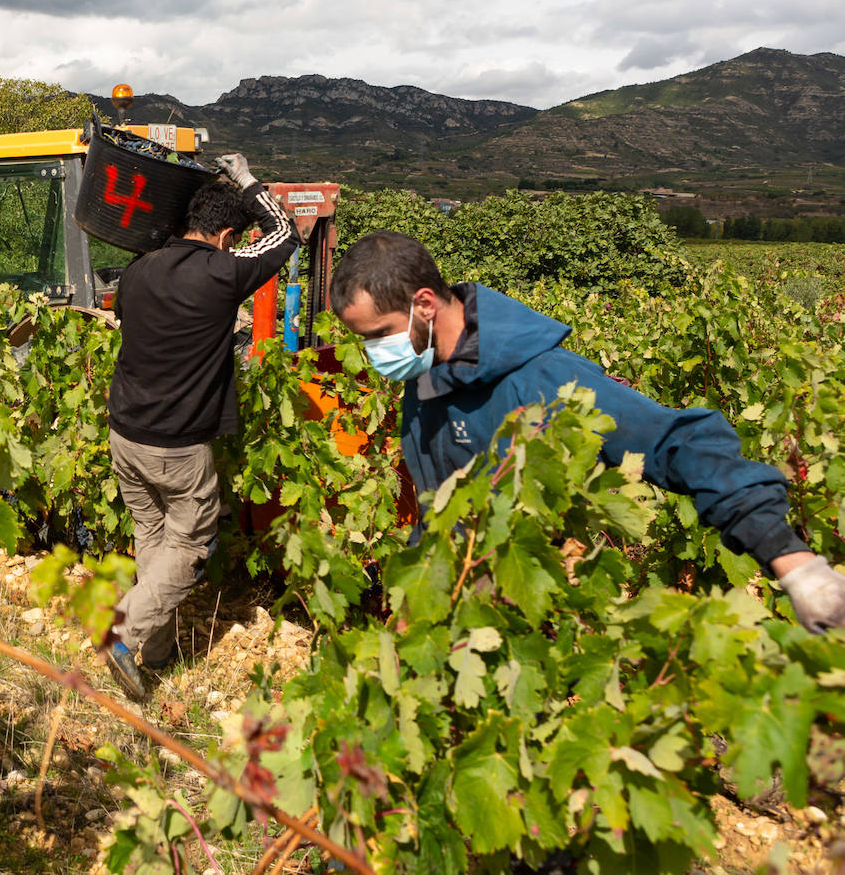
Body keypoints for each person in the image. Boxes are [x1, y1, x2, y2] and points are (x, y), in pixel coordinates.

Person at [329, 231, 845, 633]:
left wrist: (792, 562)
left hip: (538, 618)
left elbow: (673, 444)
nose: (375, 353)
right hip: (461, 611)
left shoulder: (542, 379)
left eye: (378, 336)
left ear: (424, 304)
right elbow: (442, 505)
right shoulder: (424, 380)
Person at [103, 153, 300, 701]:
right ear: (227, 236)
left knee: (153, 538)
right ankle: (124, 634)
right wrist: (245, 177)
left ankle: (157, 653)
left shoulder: (137, 271)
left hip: (124, 435)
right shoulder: (223, 271)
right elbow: (284, 234)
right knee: (190, 545)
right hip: (177, 445)